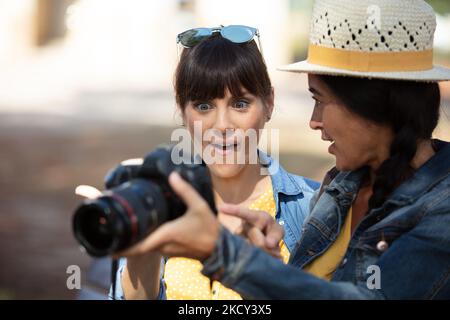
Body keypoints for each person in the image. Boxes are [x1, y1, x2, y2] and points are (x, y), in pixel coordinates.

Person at [114, 0, 450, 299]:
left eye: (319, 99)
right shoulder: (340, 191)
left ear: (370, 105)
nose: (313, 121)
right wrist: (269, 265)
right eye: (202, 106)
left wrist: (225, 254)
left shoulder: (436, 211)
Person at [111, 25, 319, 300]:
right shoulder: (160, 202)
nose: (222, 125)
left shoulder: (313, 209)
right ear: (182, 110)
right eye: (204, 106)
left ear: (268, 103)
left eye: (240, 104)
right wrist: (143, 248)